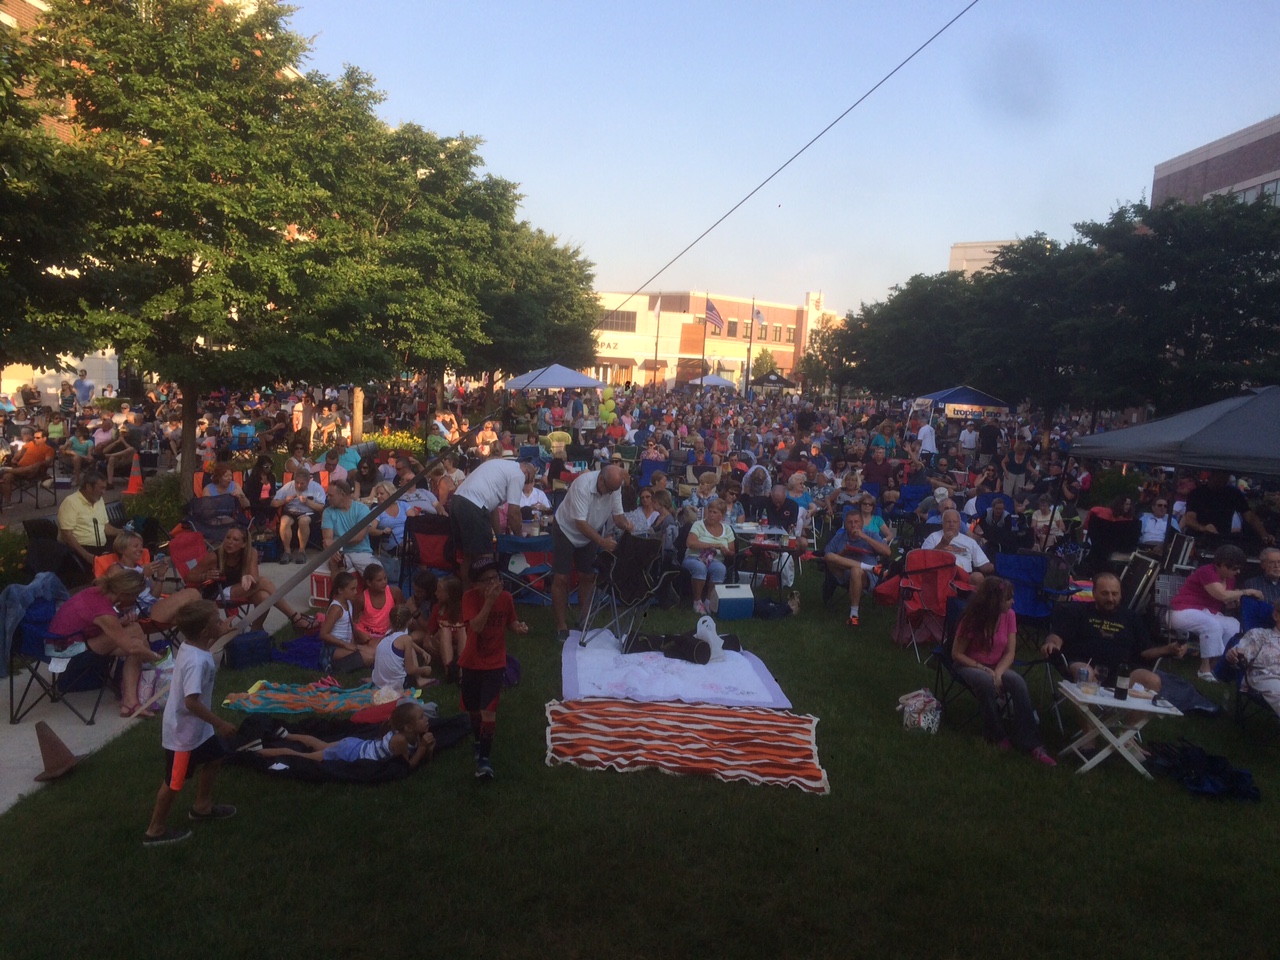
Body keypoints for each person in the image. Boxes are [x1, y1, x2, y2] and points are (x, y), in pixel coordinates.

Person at [143, 600, 239, 845]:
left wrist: (222, 629)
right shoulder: (196, 662)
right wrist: (220, 723)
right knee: (174, 783)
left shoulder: (191, 646)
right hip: (182, 736)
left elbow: (207, 641)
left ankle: (202, 806)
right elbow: (191, 703)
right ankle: (155, 830)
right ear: (206, 632)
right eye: (217, 621)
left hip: (199, 729)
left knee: (215, 757)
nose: (221, 623)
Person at [951, 577, 1056, 766]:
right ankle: (997, 734)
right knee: (984, 681)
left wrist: (998, 673)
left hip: (997, 666)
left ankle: (1032, 742)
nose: (1013, 602)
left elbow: (1010, 652)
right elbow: (956, 654)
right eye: (1008, 599)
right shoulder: (972, 619)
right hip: (969, 665)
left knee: (1017, 682)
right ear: (994, 601)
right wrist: (984, 669)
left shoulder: (1010, 616)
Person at [48, 568, 164, 719]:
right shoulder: (103, 611)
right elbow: (128, 646)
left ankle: (130, 702)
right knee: (134, 639)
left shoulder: (97, 592)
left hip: (62, 641)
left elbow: (95, 623)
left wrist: (120, 622)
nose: (135, 600)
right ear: (125, 594)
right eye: (135, 596)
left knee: (135, 640)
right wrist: (155, 656)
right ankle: (153, 672)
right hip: (66, 652)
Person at [1040, 572, 1169, 693]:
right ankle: (1087, 717)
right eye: (1105, 593)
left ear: (1120, 594)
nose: (1110, 598)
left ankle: (1127, 718)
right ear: (1094, 593)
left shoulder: (1131, 617)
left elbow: (1145, 651)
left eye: (1114, 593)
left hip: (1122, 671)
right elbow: (1057, 635)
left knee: (1153, 680)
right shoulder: (1078, 611)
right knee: (1085, 673)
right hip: (1084, 664)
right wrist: (1052, 644)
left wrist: (1169, 649)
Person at [460, 557, 529, 779]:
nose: (492, 584)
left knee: (488, 710)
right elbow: (477, 627)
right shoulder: (469, 598)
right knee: (473, 709)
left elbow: (510, 620)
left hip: (495, 662)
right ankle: (478, 742)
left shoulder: (506, 598)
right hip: (471, 661)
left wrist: (517, 627)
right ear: (475, 585)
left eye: (495, 578)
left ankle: (484, 761)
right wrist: (489, 602)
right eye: (486, 580)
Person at [550, 464, 632, 641]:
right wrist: (602, 541)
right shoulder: (582, 486)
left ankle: (584, 620)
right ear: (601, 480)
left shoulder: (614, 486)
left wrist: (626, 524)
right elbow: (580, 523)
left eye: (614, 490)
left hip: (590, 533)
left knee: (587, 576)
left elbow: (618, 516)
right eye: (609, 489)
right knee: (561, 578)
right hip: (566, 530)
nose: (611, 494)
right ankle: (561, 625)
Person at [191, 525, 314, 631]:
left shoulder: (251, 552)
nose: (229, 542)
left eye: (235, 540)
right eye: (228, 538)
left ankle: (256, 630)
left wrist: (248, 577)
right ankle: (295, 618)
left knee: (264, 596)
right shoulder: (214, 556)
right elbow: (189, 576)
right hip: (217, 592)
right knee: (264, 581)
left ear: (244, 544)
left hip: (238, 588)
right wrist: (204, 576)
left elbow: (254, 580)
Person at [1170, 544, 1264, 680]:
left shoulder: (1230, 579)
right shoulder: (1207, 571)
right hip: (1182, 611)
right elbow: (1222, 595)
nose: (1238, 572)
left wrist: (1239, 601)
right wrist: (1246, 591)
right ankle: (1204, 669)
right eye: (1235, 568)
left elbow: (1226, 601)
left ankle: (1219, 665)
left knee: (1234, 625)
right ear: (1223, 565)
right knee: (1212, 624)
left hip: (1208, 612)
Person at [260, 701, 434, 767]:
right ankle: (257, 752)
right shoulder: (400, 739)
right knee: (305, 757)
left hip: (355, 744)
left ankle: (287, 735)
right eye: (421, 717)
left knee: (320, 744)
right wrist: (423, 748)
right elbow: (406, 767)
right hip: (350, 752)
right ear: (408, 727)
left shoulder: (410, 734)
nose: (426, 719)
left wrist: (428, 747)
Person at [449, 457, 539, 582]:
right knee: (485, 557)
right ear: (526, 472)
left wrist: (499, 536)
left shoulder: (502, 466)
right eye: (527, 481)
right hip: (474, 505)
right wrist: (519, 540)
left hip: (457, 501)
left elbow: (493, 509)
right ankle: (487, 594)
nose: (525, 484)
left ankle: (467, 595)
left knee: (468, 556)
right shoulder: (518, 474)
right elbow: (513, 512)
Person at [107, 531, 203, 625]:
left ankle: (195, 636)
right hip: (139, 612)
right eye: (136, 546)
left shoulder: (142, 568)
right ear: (122, 549)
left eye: (141, 546)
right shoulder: (116, 569)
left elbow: (154, 596)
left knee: (190, 613)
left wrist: (160, 576)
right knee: (192, 594)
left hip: (154, 606)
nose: (140, 549)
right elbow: (123, 600)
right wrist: (143, 576)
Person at [823, 508, 890, 628]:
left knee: (856, 570)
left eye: (856, 522)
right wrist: (844, 551)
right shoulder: (839, 537)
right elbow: (828, 557)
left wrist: (865, 537)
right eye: (850, 522)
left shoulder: (871, 534)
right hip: (843, 574)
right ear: (845, 524)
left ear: (862, 523)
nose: (853, 525)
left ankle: (854, 615)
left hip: (866, 577)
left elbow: (887, 552)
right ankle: (871, 567)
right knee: (828, 556)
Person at [1182, 470, 1274, 546]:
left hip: (1222, 539)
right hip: (1198, 539)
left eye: (1226, 476)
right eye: (1221, 476)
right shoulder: (1197, 493)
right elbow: (1189, 518)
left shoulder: (1233, 493)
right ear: (1212, 476)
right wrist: (1203, 528)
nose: (1224, 479)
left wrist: (1264, 535)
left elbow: (1250, 516)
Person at [1225, 600, 1280, 719]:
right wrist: (1234, 655)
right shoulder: (1260, 635)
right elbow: (1241, 654)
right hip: (1267, 678)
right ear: (1276, 615)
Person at [683, 498, 737, 615]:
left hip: (715, 560)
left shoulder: (727, 529)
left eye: (715, 512)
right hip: (695, 557)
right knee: (700, 567)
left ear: (722, 515)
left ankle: (709, 601)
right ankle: (697, 601)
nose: (711, 515)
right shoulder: (698, 525)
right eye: (710, 511)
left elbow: (732, 551)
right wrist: (712, 545)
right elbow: (690, 543)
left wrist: (726, 551)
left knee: (720, 569)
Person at [58, 472, 121, 565]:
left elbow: (105, 527)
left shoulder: (99, 499)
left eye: (105, 488)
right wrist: (86, 555)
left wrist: (124, 532)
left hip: (101, 548)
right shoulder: (71, 502)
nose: (104, 492)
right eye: (101, 488)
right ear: (88, 487)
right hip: (81, 550)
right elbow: (66, 534)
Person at [921, 509, 994, 587]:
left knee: (978, 577)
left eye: (954, 522)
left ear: (959, 524)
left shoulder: (969, 541)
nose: (951, 524)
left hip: (965, 577)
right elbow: (925, 560)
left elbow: (983, 564)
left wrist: (997, 566)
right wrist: (942, 544)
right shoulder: (933, 537)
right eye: (948, 522)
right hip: (941, 576)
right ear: (942, 523)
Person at [370, 605, 435, 691]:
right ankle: (419, 679)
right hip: (396, 685)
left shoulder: (388, 634)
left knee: (408, 647)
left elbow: (408, 642)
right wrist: (424, 670)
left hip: (379, 683)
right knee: (409, 648)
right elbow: (410, 670)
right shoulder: (406, 639)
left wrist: (422, 651)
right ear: (410, 621)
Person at [322, 480, 381, 574]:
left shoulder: (362, 509)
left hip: (361, 552)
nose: (328, 498)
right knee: (336, 562)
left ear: (342, 494)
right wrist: (331, 547)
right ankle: (339, 588)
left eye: (331, 495)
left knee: (377, 575)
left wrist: (335, 542)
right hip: (340, 552)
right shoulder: (327, 512)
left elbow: (359, 537)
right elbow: (327, 539)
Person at [272, 468, 326, 563]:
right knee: (284, 521)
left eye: (302, 483)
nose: (299, 486)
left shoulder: (316, 488)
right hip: (291, 512)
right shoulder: (288, 486)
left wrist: (308, 502)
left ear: (308, 481)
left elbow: (321, 507)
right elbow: (273, 503)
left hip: (309, 513)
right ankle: (287, 551)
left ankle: (301, 551)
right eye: (297, 483)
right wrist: (285, 500)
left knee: (303, 521)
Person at [0, 426, 54, 502]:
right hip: (19, 469)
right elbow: (18, 456)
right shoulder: (30, 444)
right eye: (34, 437)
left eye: (38, 438)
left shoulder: (49, 449)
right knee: (7, 477)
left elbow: (48, 461)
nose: (35, 439)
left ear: (44, 438)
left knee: (32, 467)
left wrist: (39, 463)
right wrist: (14, 459)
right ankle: (8, 502)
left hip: (34, 472)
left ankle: (5, 470)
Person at [354, 563, 405, 641]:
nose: (384, 582)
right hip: (367, 637)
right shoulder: (361, 599)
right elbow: (353, 620)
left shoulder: (394, 592)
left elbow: (402, 615)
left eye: (385, 578)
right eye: (379, 580)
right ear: (369, 583)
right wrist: (360, 634)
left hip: (388, 635)